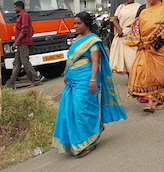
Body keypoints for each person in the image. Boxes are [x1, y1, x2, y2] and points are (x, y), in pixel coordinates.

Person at [52, 12, 127, 158]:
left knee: (82, 110)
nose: (76, 26)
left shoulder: (93, 40)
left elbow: (95, 62)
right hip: (73, 80)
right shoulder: (78, 39)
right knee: (71, 110)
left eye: (79, 23)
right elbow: (72, 60)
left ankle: (87, 142)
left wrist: (93, 80)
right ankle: (76, 141)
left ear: (87, 24)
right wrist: (67, 76)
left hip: (86, 78)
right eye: (75, 24)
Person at [126, 0, 164, 112]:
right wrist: (137, 41)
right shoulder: (143, 9)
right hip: (144, 47)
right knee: (145, 73)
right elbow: (136, 26)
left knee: (159, 75)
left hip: (160, 47)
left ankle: (159, 100)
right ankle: (150, 103)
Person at [6, 1, 43, 89]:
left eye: (15, 8)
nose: (14, 9)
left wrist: (16, 42)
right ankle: (9, 85)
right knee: (16, 63)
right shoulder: (22, 16)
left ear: (20, 7)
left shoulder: (24, 16)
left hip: (23, 43)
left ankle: (36, 81)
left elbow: (24, 31)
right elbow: (30, 30)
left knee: (25, 62)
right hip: (20, 43)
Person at [109, 0, 140, 76]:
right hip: (122, 34)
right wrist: (119, 30)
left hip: (134, 34)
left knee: (132, 57)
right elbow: (115, 19)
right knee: (124, 58)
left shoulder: (139, 7)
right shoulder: (121, 7)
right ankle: (129, 77)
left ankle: (134, 76)